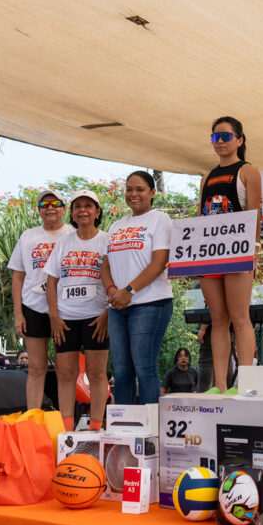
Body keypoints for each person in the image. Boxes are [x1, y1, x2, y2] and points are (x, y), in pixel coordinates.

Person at [198, 117, 261, 392]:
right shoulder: (206, 177)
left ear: (240, 140)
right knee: (218, 320)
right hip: (210, 255)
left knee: (240, 317)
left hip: (238, 253)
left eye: (225, 136)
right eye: (215, 137)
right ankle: (221, 386)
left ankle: (245, 383)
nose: (220, 141)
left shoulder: (249, 171)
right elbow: (199, 218)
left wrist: (254, 252)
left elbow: (256, 214)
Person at [101, 171, 173, 405]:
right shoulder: (116, 225)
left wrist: (128, 291)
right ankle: (123, 428)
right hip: (118, 306)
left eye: (140, 189)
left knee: (144, 367)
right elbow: (106, 264)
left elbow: (160, 261)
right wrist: (113, 290)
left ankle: (150, 428)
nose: (133, 194)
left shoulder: (160, 220)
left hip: (150, 303)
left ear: (152, 193)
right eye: (129, 189)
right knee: (121, 370)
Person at [45, 189, 109, 431]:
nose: (83, 210)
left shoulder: (107, 240)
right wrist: (54, 316)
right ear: (71, 213)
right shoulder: (63, 242)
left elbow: (118, 278)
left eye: (89, 205)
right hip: (66, 318)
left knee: (96, 374)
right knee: (65, 373)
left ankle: (95, 428)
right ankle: (66, 430)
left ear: (97, 211)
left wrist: (108, 312)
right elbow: (51, 281)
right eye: (78, 206)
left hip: (97, 317)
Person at [8, 189, 74, 408]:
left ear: (64, 209)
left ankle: (67, 424)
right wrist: (18, 313)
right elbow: (18, 276)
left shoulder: (73, 234)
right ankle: (33, 420)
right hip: (33, 307)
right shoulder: (28, 236)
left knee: (66, 370)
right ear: (38, 211)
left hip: (66, 308)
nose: (50, 207)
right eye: (44, 205)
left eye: (55, 203)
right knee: (36, 367)